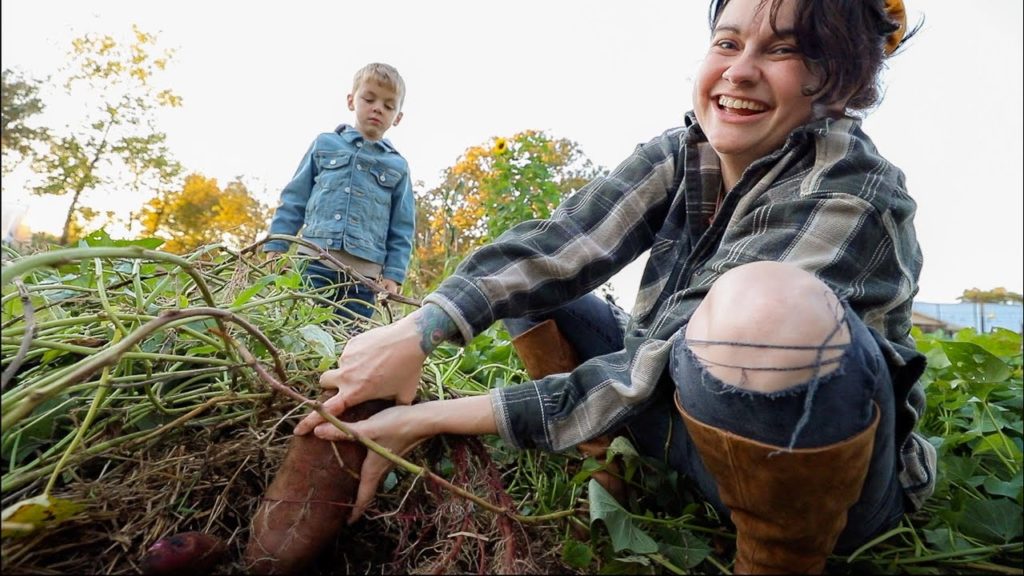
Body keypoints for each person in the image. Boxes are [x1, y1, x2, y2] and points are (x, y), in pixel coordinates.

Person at [294, 0, 936, 572]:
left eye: (784, 50)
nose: (740, 71)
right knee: (536, 282)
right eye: (728, 42)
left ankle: (775, 558)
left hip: (822, 482)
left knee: (765, 308)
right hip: (684, 423)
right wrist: (417, 330)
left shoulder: (850, 187)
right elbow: (559, 244)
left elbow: (653, 367)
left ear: (838, 82)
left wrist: (431, 417)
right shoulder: (686, 153)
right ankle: (607, 462)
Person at [263, 62, 415, 319]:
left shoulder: (398, 166)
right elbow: (295, 198)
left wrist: (393, 273)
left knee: (349, 340)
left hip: (363, 279)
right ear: (351, 100)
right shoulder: (325, 144)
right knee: (301, 327)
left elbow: (402, 227)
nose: (377, 107)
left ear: (397, 117)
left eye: (389, 105)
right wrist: (277, 243)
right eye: (369, 98)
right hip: (313, 262)